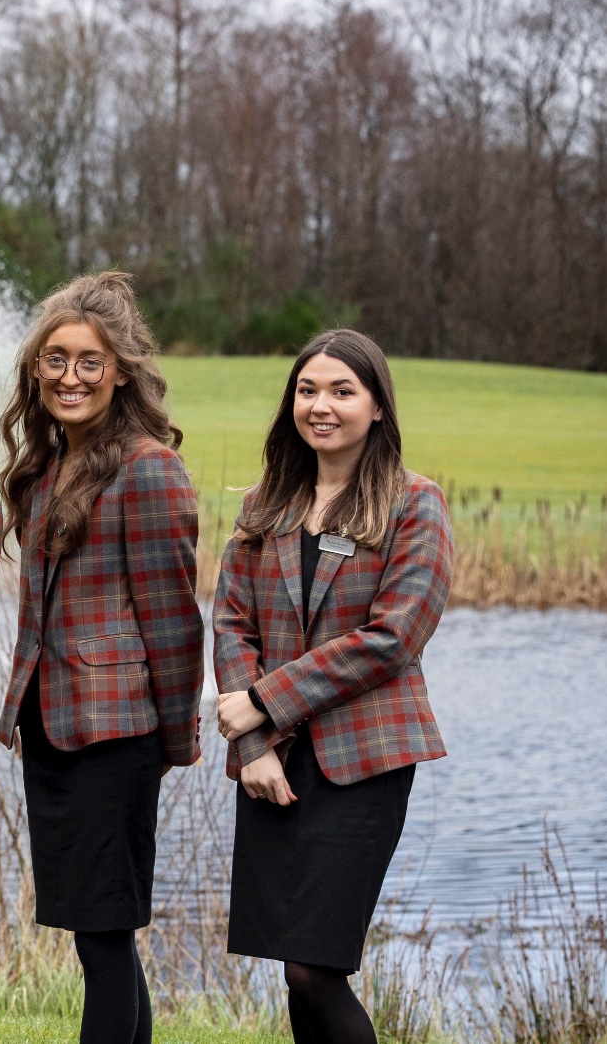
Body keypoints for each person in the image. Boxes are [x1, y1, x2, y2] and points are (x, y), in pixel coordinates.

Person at [213, 329, 452, 1044]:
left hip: (365, 761)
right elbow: (231, 622)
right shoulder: (266, 503)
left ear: (378, 407)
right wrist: (253, 741)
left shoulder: (415, 503)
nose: (322, 405)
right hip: (273, 762)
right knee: (293, 962)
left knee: (316, 967)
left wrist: (264, 699)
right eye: (308, 390)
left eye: (343, 391)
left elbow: (393, 638)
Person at [0, 272, 204, 1044]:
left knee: (106, 931)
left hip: (116, 736)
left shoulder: (147, 469)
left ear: (120, 371)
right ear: (35, 369)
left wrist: (173, 742)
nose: (69, 377)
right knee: (95, 933)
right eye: (55, 359)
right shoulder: (47, 470)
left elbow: (174, 624)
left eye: (89, 361)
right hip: (53, 729)